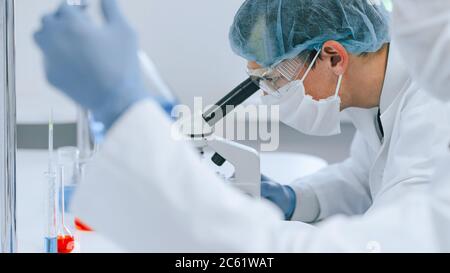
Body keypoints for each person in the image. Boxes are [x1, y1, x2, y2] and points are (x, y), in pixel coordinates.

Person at [32, 0, 450, 252]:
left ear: (334, 57)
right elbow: (366, 178)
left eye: (273, 79)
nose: (269, 94)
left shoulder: (433, 122)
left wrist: (125, 113)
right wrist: (292, 198)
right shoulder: (381, 95)